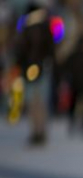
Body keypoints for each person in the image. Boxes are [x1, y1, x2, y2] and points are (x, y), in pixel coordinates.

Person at [15, 3, 55, 147]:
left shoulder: (24, 28)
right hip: (43, 68)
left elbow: (19, 49)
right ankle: (41, 130)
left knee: (32, 101)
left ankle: (36, 131)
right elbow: (52, 48)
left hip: (29, 69)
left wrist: (21, 64)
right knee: (41, 101)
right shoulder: (46, 27)